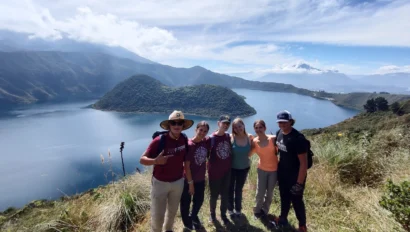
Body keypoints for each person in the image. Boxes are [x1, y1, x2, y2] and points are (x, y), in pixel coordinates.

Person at [139, 110, 194, 232]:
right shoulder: (159, 141)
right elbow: (142, 160)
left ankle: (168, 229)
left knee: (172, 212)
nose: (176, 126)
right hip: (160, 183)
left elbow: (186, 162)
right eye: (173, 123)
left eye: (179, 123)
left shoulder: (184, 139)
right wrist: (156, 161)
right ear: (169, 125)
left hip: (178, 182)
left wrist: (189, 182)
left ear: (183, 126)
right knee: (158, 215)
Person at [274, 110, 309, 232]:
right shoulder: (279, 133)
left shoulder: (298, 139)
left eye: (285, 122)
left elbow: (304, 164)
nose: (282, 124)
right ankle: (283, 218)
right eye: (280, 122)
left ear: (290, 121)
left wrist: (299, 183)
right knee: (284, 197)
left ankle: (302, 225)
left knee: (297, 201)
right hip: (283, 174)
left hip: (295, 175)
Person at [180, 121, 210, 230]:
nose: (202, 132)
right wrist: (190, 183)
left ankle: (193, 216)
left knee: (199, 200)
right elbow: (186, 167)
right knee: (185, 202)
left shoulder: (204, 142)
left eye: (205, 131)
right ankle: (186, 223)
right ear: (196, 130)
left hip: (200, 178)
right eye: (200, 130)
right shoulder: (189, 145)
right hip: (188, 180)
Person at [249, 120, 279, 219]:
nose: (258, 130)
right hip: (261, 169)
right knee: (260, 192)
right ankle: (257, 211)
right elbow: (249, 154)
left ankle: (265, 211)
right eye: (256, 128)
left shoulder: (273, 139)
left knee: (269, 193)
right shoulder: (254, 142)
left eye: (260, 127)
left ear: (265, 128)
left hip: (274, 171)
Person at [208, 115, 232, 224]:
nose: (226, 125)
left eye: (228, 124)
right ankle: (212, 215)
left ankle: (223, 214)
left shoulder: (228, 136)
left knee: (225, 194)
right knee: (214, 195)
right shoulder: (211, 139)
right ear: (218, 123)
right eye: (224, 123)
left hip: (226, 172)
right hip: (214, 173)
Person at [228, 118, 253, 219]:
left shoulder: (250, 138)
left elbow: (262, 139)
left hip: (244, 168)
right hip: (231, 168)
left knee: (238, 189)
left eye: (240, 126)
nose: (238, 128)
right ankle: (230, 209)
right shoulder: (231, 137)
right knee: (230, 189)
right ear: (233, 129)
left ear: (243, 125)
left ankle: (238, 209)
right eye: (235, 127)